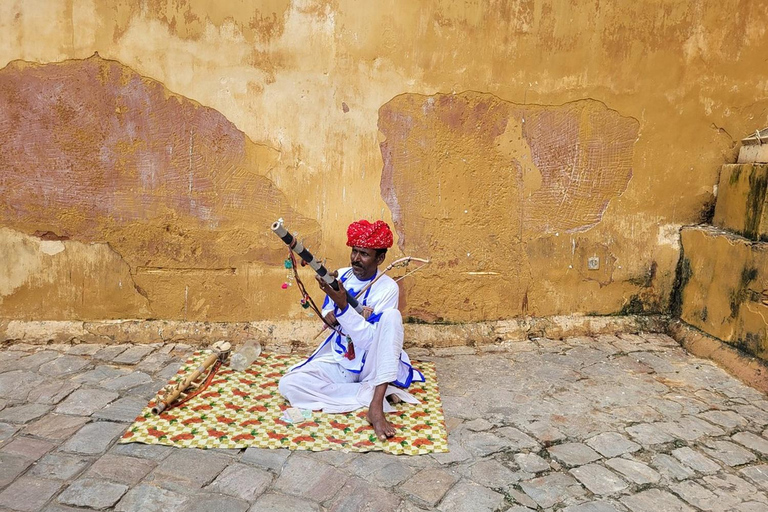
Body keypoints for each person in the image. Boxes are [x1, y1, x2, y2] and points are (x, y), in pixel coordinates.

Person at [278, 219, 425, 440]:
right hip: (342, 359)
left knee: (392, 317)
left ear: (380, 258)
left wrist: (344, 308)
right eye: (355, 251)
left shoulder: (388, 288)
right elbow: (331, 319)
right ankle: (377, 393)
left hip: (372, 362)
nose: (356, 258)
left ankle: (375, 407)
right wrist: (331, 314)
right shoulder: (342, 275)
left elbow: (368, 341)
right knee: (289, 384)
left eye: (364, 254)